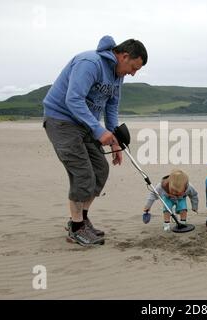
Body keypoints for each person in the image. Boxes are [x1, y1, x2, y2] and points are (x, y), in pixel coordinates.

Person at [43, 35, 148, 246]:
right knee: (83, 174)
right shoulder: (90, 63)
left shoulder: (118, 75)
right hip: (61, 121)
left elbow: (111, 108)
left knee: (100, 169)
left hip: (86, 124)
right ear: (124, 56)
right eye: (133, 67)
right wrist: (98, 131)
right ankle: (76, 228)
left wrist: (115, 140)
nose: (133, 73)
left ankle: (81, 218)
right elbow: (73, 99)